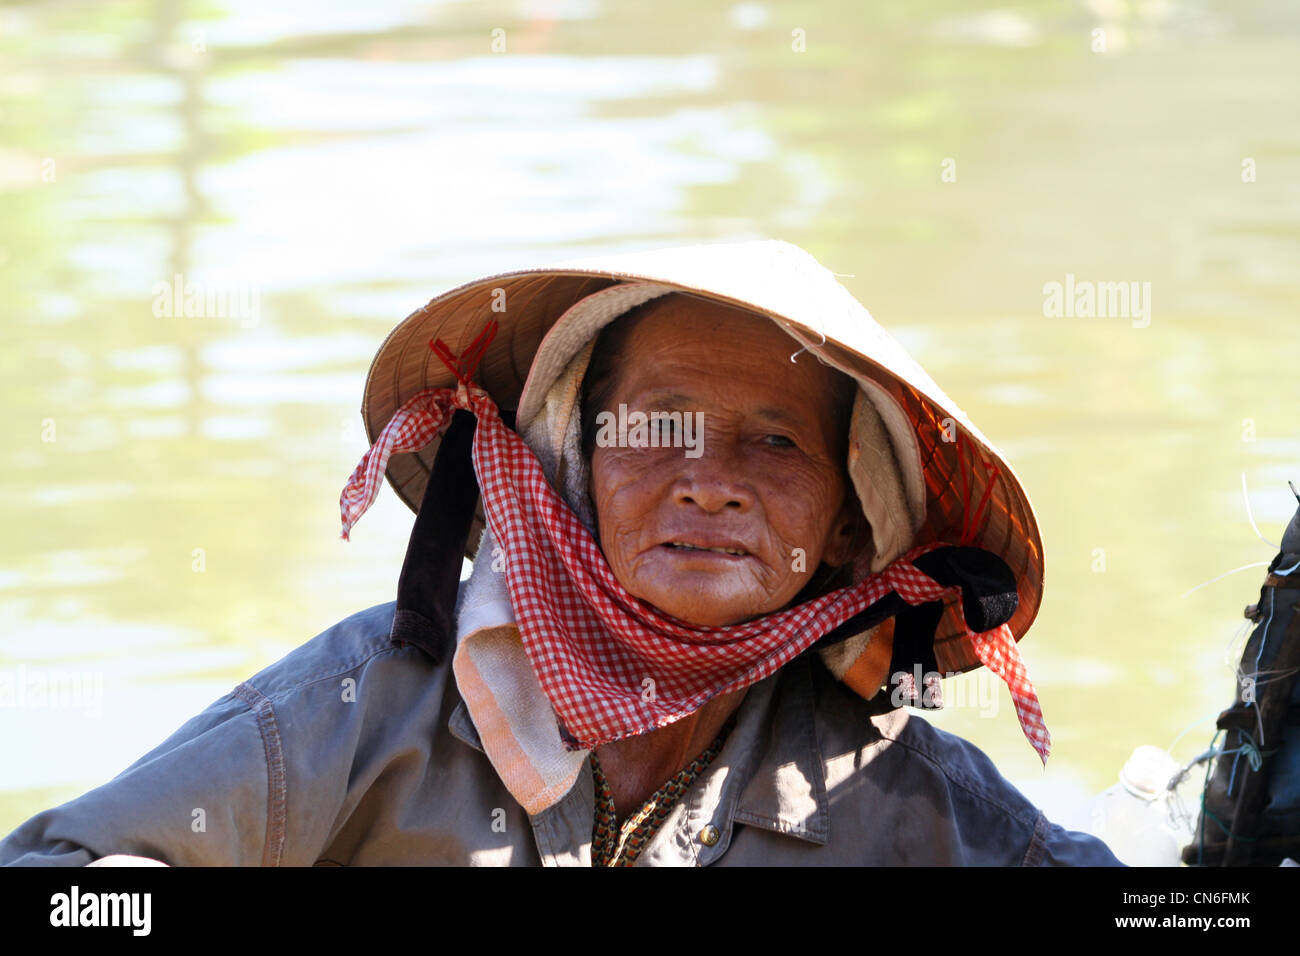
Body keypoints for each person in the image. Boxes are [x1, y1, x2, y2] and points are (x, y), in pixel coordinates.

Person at [0, 239, 1122, 866]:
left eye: (773, 442)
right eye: (655, 424)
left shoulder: (883, 782)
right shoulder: (369, 707)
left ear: (844, 523)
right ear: (570, 466)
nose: (709, 478)